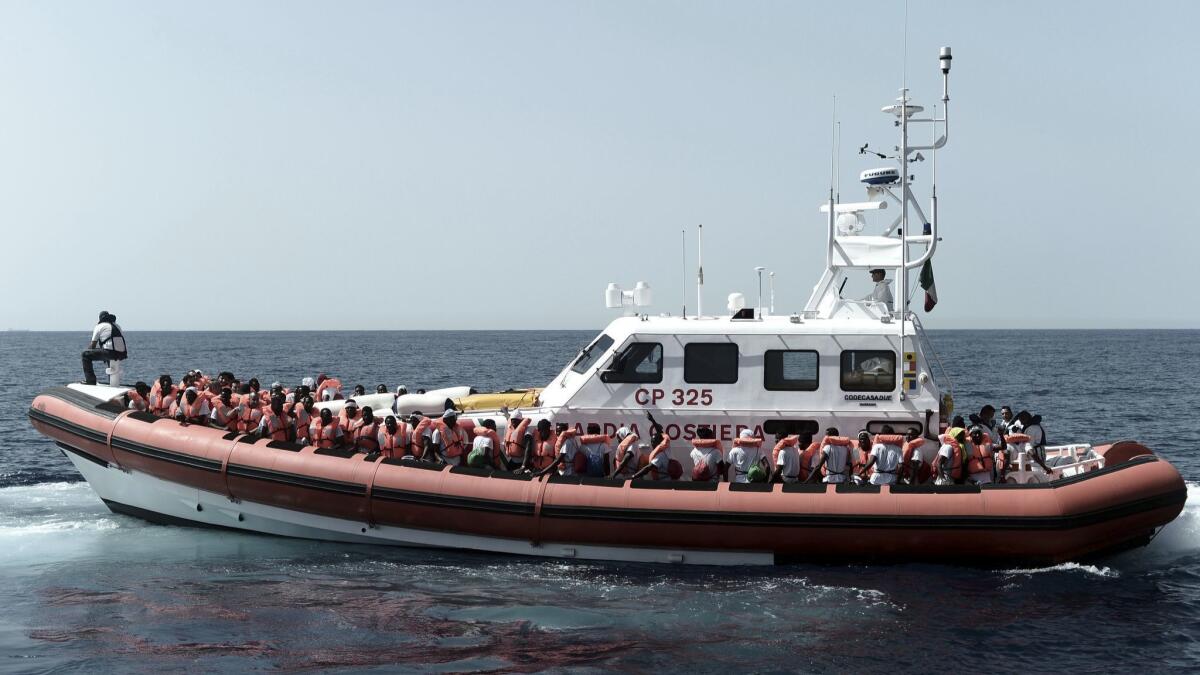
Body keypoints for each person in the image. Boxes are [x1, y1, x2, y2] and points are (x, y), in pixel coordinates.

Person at [81, 311, 128, 385]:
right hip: (122, 353)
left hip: (110, 353)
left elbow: (93, 345)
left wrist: (87, 350)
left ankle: (90, 381)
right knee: (109, 353)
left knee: (85, 355)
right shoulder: (117, 326)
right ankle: (112, 382)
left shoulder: (99, 326)